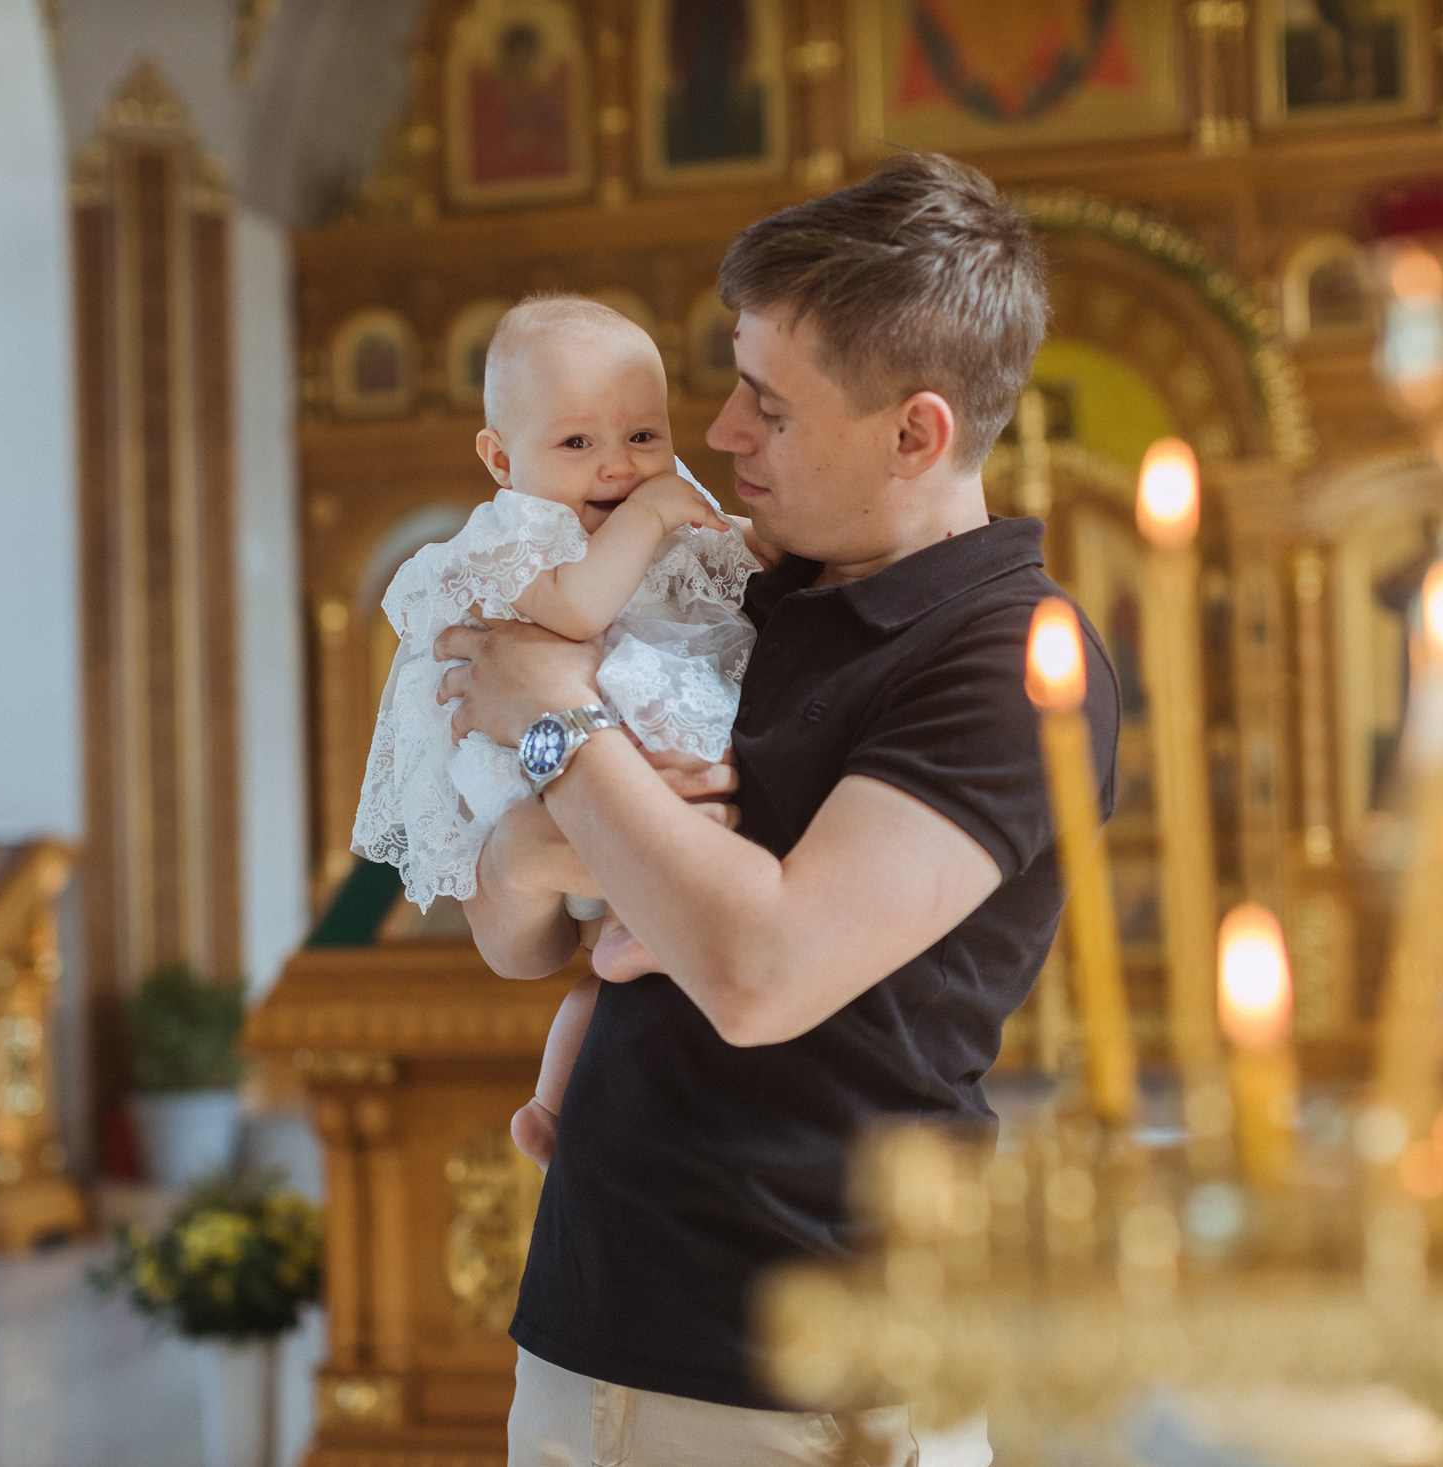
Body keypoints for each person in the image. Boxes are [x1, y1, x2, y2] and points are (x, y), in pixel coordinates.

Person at [436, 153, 1120, 1467]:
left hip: (807, 1369)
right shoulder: (733, 592)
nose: (723, 433)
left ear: (915, 433)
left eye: (769, 404)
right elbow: (514, 930)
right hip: (592, 1314)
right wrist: (542, 839)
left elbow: (759, 971)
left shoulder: (1008, 658)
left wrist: (553, 719)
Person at [351, 294, 761, 1165]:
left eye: (643, 437)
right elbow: (575, 612)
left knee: (618, 972)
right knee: (612, 950)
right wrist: (655, 515)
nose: (617, 466)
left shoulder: (639, 510)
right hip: (536, 778)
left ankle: (548, 1109)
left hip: (624, 771)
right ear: (501, 459)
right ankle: (555, 1089)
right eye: (577, 443)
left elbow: (733, 562)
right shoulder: (512, 539)